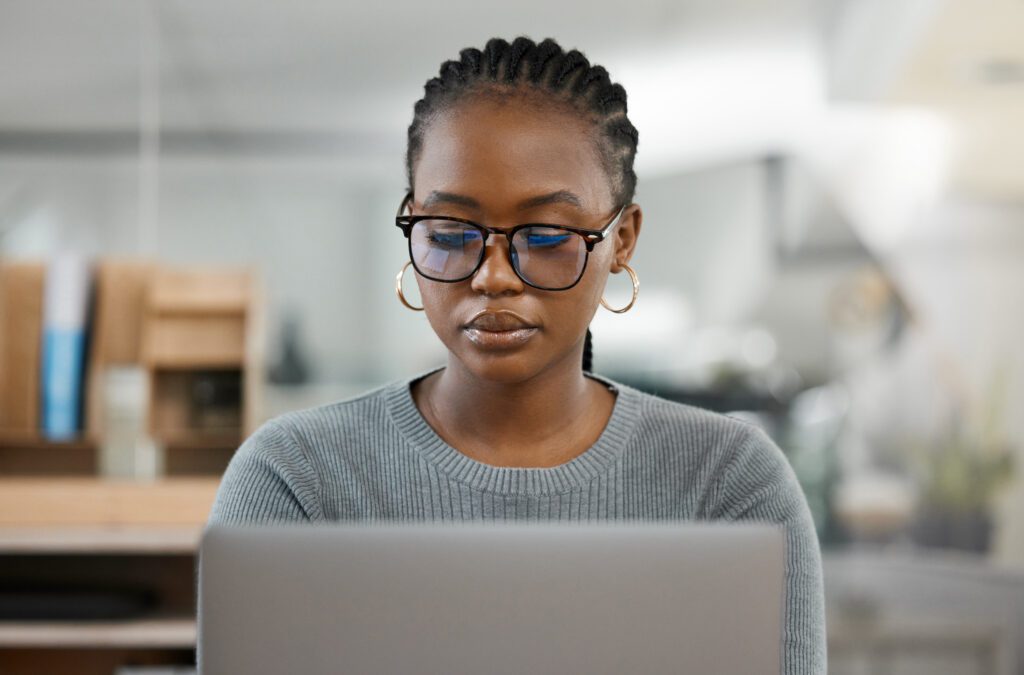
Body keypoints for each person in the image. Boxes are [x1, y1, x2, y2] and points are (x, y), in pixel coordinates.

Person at [207, 36, 826, 674]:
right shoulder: (296, 479)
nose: (492, 276)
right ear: (411, 224)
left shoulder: (727, 484)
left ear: (623, 240)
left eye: (546, 235)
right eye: (449, 234)